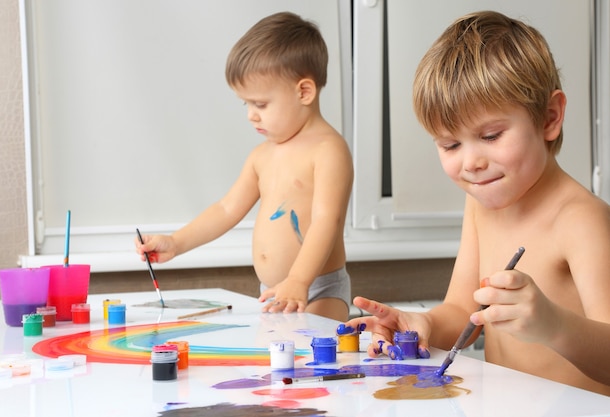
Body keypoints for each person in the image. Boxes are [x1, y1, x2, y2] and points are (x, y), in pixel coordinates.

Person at [344, 10, 610, 395]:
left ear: (550, 117)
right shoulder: (482, 206)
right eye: (450, 144)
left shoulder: (581, 220)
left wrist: (555, 326)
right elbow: (461, 312)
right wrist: (426, 324)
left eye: (490, 135)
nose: (471, 162)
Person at [135, 12, 353, 322]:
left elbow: (326, 222)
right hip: (273, 290)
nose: (251, 115)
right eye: (246, 104)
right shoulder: (261, 156)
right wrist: (176, 242)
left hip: (317, 288)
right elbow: (226, 209)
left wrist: (299, 280)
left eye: (261, 104)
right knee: (279, 362)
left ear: (304, 91)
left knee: (312, 353)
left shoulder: (328, 151)